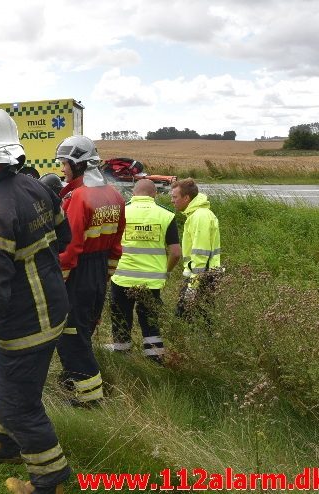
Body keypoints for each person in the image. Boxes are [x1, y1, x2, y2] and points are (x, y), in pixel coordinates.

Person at [0, 108, 72, 494]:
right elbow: (66, 236)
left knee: (20, 405)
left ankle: (50, 480)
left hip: (28, 321)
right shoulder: (37, 186)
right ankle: (4, 444)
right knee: (1, 380)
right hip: (50, 307)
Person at [55, 135, 125, 406]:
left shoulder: (79, 197)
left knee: (71, 335)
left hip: (77, 273)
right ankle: (72, 379)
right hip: (98, 273)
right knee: (84, 330)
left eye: (64, 163)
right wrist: (104, 276)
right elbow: (117, 244)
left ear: (77, 164)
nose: (62, 169)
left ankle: (88, 397)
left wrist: (58, 283)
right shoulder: (115, 195)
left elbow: (70, 247)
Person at [108, 179, 181, 363]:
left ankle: (122, 359)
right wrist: (166, 272)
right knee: (150, 323)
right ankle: (155, 361)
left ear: (133, 193)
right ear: (154, 195)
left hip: (122, 278)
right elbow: (175, 253)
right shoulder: (166, 215)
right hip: (151, 282)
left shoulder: (120, 212)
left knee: (121, 320)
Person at [170, 178, 221, 322]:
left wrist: (193, 286)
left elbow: (201, 254)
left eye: (175, 197)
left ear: (186, 198)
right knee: (201, 319)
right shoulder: (196, 214)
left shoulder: (200, 216)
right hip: (202, 275)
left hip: (202, 276)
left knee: (184, 318)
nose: (172, 201)